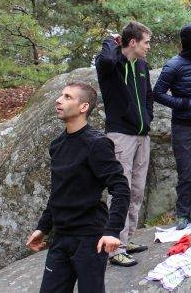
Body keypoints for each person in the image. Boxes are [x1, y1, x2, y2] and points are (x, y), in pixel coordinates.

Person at [26, 81, 130, 293]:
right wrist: (42, 228)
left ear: (83, 107)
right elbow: (58, 192)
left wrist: (112, 231)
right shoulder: (57, 145)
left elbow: (120, 187)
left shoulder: (97, 144)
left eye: (67, 97)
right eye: (61, 96)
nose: (58, 100)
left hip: (90, 238)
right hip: (61, 237)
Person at [95, 21, 153, 267]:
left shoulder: (141, 65)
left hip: (142, 136)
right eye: (146, 42)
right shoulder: (111, 64)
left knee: (137, 190)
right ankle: (113, 247)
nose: (148, 47)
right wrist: (110, 40)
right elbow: (106, 60)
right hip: (120, 135)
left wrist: (147, 119)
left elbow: (148, 96)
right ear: (132, 42)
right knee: (121, 190)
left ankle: (126, 239)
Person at [153, 24, 191, 230]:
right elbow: (158, 93)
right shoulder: (173, 65)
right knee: (185, 174)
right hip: (183, 127)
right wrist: (184, 104)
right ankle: (182, 215)